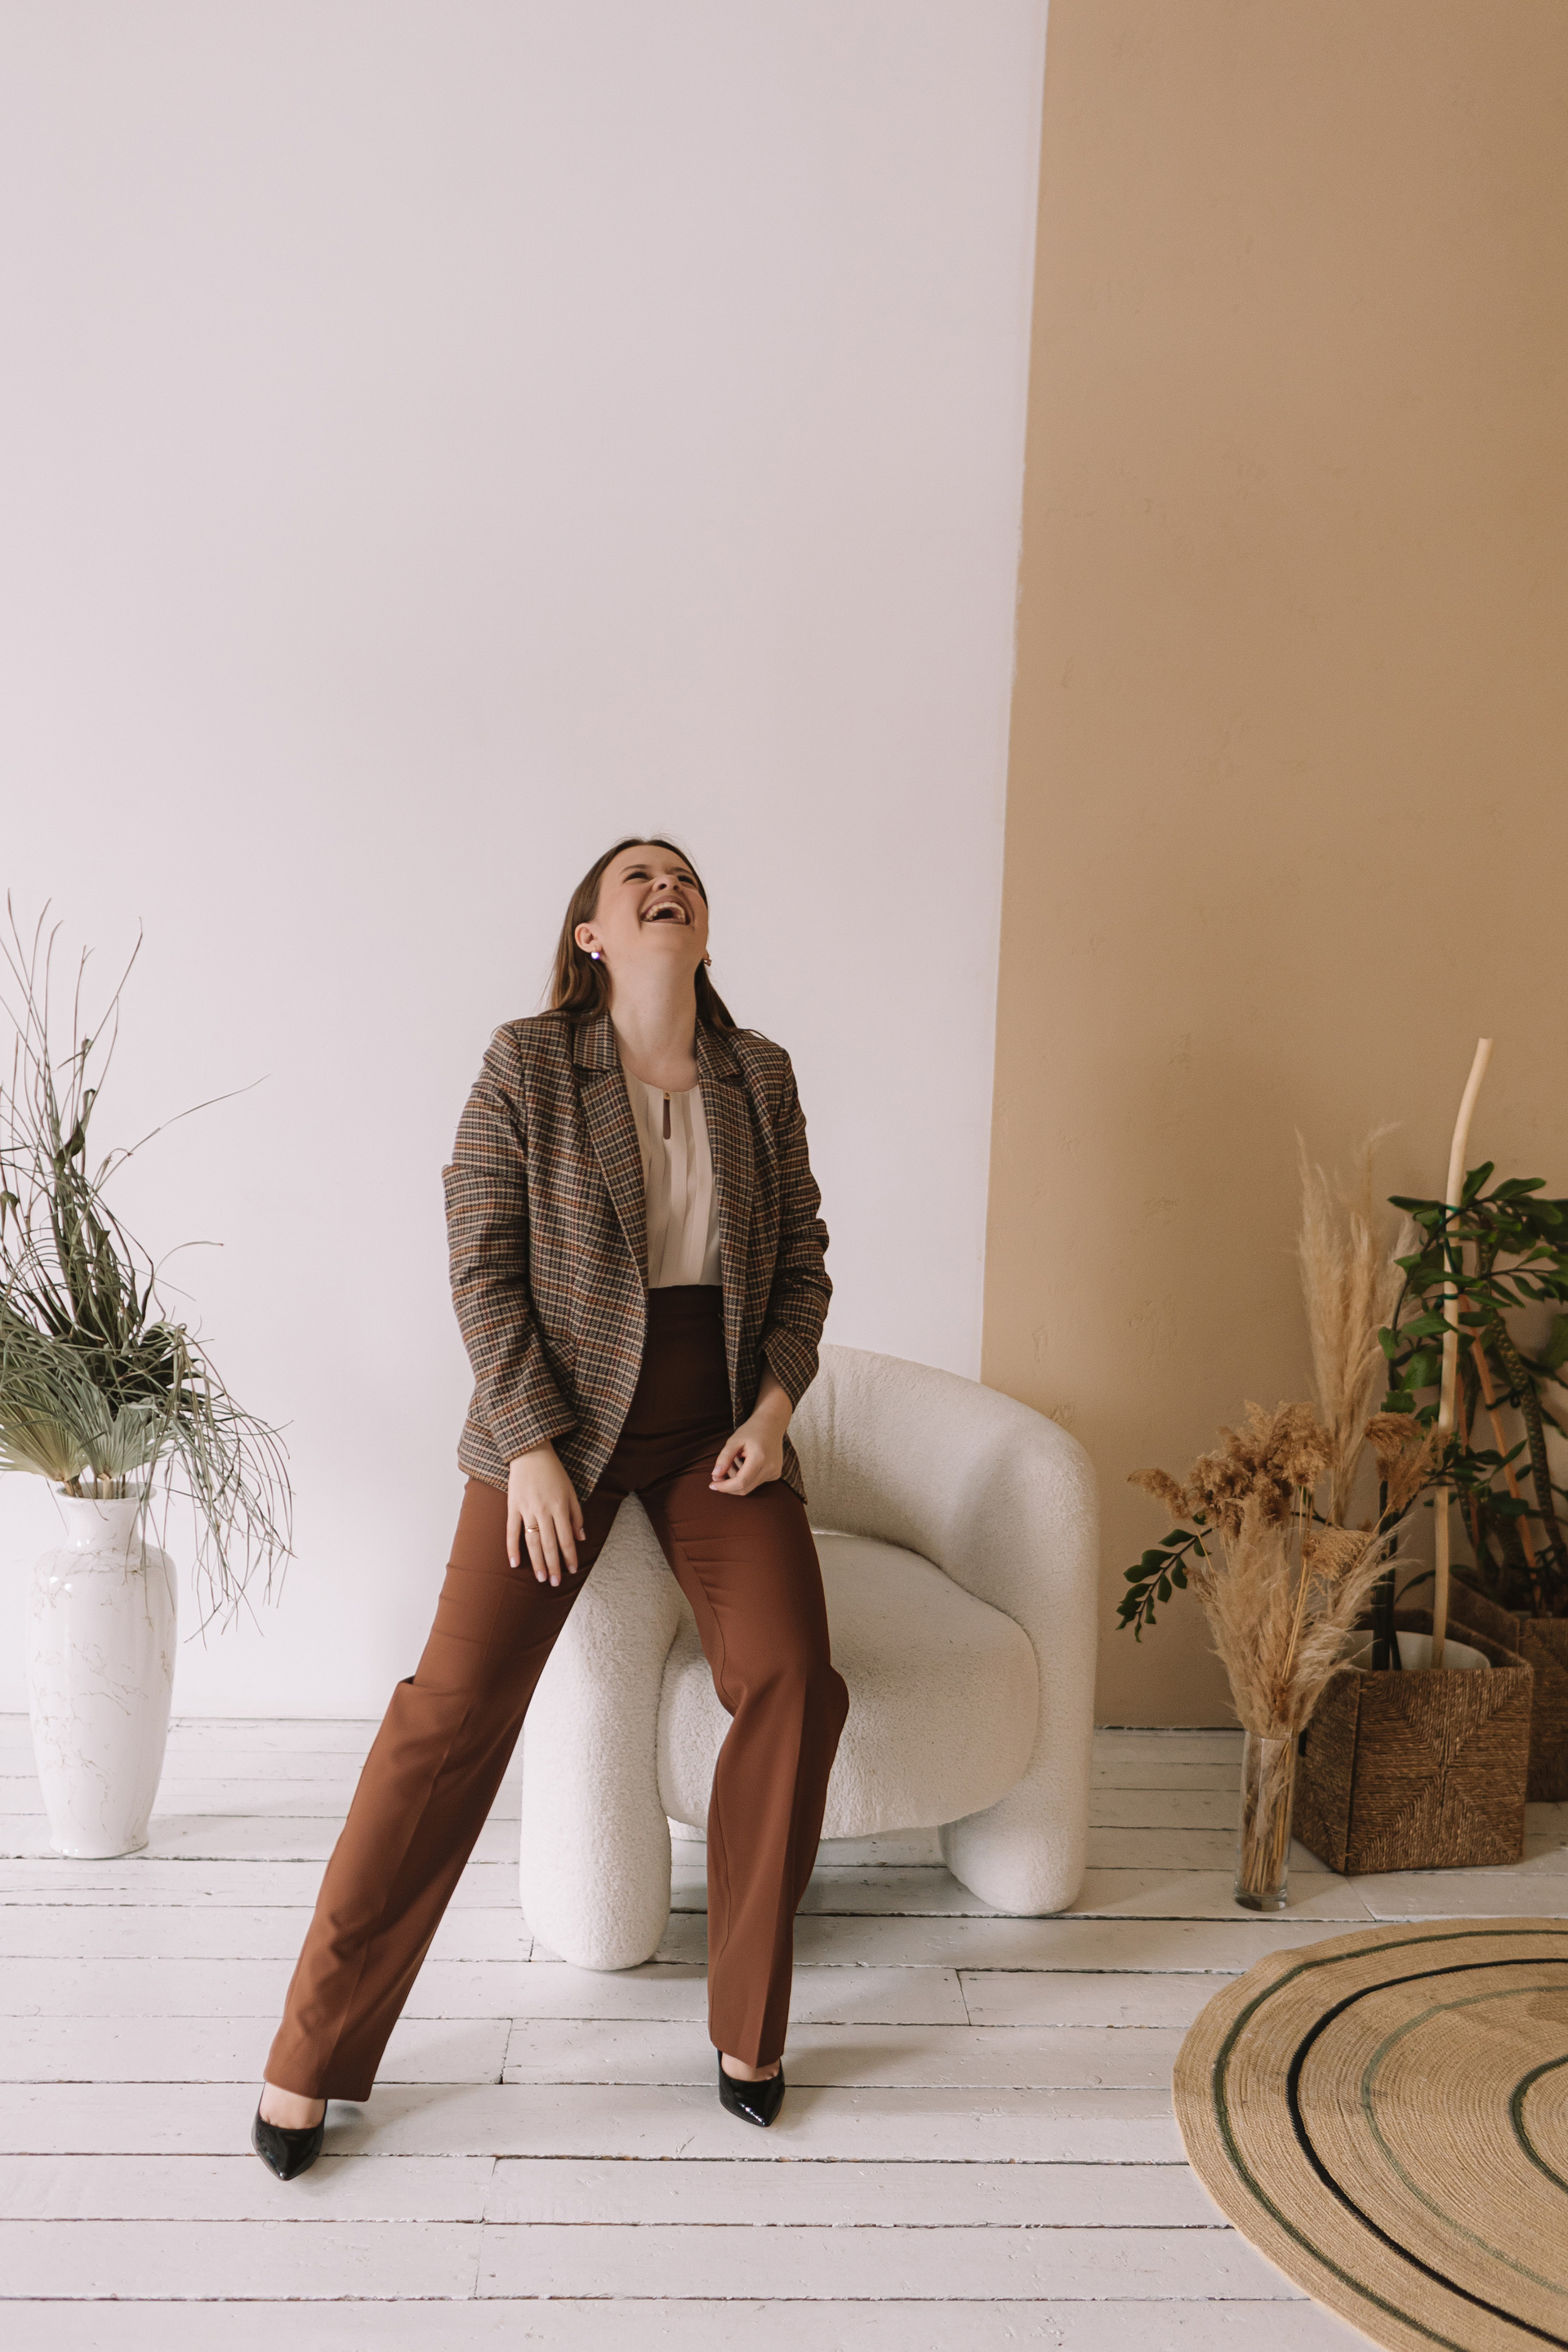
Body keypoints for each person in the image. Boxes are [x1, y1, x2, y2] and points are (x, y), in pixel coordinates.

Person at [252, 836, 848, 2178]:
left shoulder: (759, 1075)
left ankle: (748, 2026)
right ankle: (310, 2048)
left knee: (796, 1677)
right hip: (559, 1420)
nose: (665, 884)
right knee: (450, 1713)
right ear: (591, 932)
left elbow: (803, 1261)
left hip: (717, 1427)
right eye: (636, 876)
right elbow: (481, 1260)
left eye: (684, 875)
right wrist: (526, 1444)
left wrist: (771, 1415)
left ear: (704, 927)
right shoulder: (528, 1062)